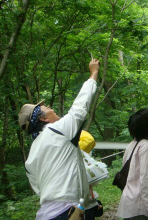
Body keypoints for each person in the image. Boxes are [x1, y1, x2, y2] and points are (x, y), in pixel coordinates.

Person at [18, 59, 100, 220]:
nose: (52, 108)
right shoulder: (58, 130)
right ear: (43, 119)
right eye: (47, 108)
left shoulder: (32, 154)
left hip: (46, 215)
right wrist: (94, 73)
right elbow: (80, 107)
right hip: (68, 212)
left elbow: (40, 189)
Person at [116, 109, 148, 220]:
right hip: (140, 207)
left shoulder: (133, 144)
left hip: (129, 203)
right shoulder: (146, 147)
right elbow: (147, 181)